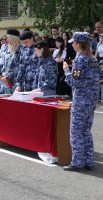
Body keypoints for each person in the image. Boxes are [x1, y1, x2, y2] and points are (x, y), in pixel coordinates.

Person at [62, 32, 101, 171]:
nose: (72, 44)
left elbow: (75, 82)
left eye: (74, 42)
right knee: (86, 131)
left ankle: (77, 162)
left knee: (76, 132)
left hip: (81, 100)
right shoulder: (93, 59)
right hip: (91, 100)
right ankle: (88, 161)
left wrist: (66, 71)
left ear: (79, 44)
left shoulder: (80, 59)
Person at [0, 29, 21, 94]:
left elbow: (21, 68)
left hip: (16, 83)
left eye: (8, 37)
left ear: (13, 38)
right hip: (6, 81)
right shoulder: (7, 49)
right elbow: (4, 64)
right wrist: (3, 76)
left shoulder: (20, 50)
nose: (6, 39)